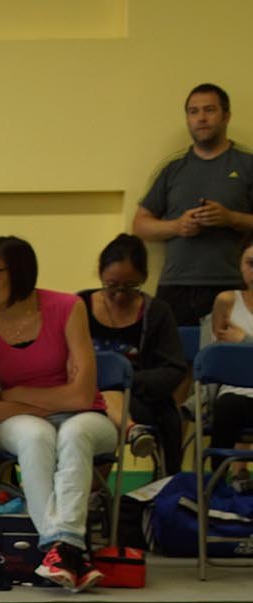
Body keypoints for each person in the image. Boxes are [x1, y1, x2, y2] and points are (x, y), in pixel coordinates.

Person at [0, 235, 117, 592]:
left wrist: (20, 393)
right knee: (37, 435)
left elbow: (83, 395)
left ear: (18, 272)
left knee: (74, 433)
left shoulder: (67, 307)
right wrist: (57, 398)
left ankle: (59, 549)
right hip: (18, 422)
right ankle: (67, 548)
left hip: (86, 417)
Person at [133, 84, 253, 328]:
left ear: (226, 116)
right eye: (193, 111)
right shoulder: (172, 167)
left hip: (234, 285)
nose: (201, 118)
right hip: (176, 286)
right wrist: (178, 226)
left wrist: (230, 218)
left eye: (209, 110)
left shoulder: (247, 163)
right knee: (173, 352)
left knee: (231, 352)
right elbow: (140, 224)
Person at [79, 234, 189, 476]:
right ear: (100, 274)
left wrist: (127, 383)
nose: (120, 295)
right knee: (91, 415)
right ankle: (95, 485)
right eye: (112, 286)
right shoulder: (78, 306)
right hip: (84, 392)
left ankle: (159, 484)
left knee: (161, 416)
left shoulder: (157, 312)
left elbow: (174, 368)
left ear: (144, 278)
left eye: (130, 287)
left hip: (139, 396)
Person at [205, 232, 253, 490]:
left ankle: (240, 474)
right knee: (227, 405)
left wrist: (245, 341)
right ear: (240, 265)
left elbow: (236, 348)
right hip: (234, 394)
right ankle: (218, 482)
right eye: (251, 263)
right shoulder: (227, 300)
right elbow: (217, 358)